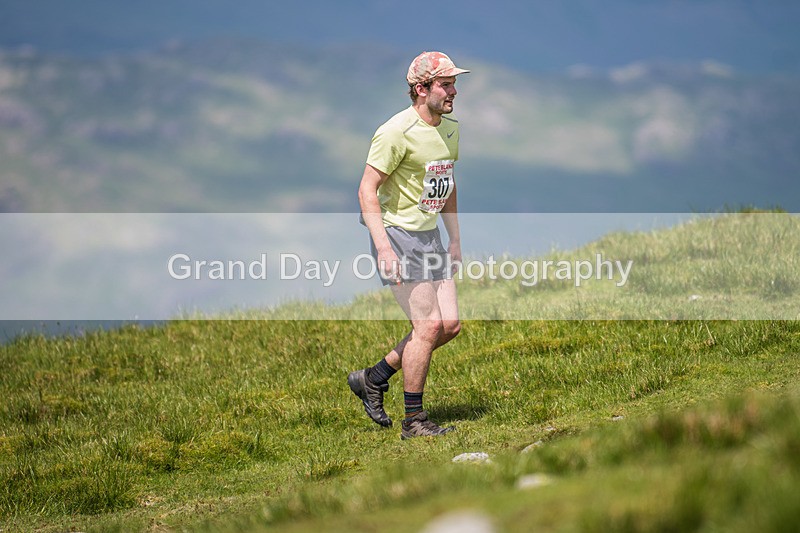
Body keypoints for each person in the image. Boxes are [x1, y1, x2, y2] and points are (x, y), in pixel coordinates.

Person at [348, 51, 469, 439]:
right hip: (397, 235)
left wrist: (454, 238)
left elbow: (445, 183)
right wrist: (383, 248)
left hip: (430, 235)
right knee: (427, 326)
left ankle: (374, 377)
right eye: (445, 84)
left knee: (449, 325)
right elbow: (367, 190)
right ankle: (414, 422)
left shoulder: (450, 130)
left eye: (453, 83)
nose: (453, 91)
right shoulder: (394, 131)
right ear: (421, 89)